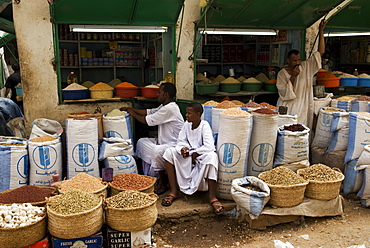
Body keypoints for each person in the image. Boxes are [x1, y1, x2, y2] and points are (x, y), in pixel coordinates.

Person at [120, 83, 184, 195]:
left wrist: (133, 114)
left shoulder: (170, 108)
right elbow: (149, 112)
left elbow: (147, 120)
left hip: (174, 145)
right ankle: (149, 177)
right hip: (163, 142)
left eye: (159, 92)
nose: (157, 95)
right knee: (141, 142)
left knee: (156, 151)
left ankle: (162, 183)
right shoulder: (164, 106)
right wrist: (131, 109)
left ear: (166, 94)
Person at [161, 102, 224, 215]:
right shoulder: (186, 125)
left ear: (198, 114)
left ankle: (212, 197)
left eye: (189, 113)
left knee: (212, 157)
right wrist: (183, 149)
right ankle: (174, 191)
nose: (186, 115)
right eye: (186, 113)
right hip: (188, 156)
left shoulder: (204, 126)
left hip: (201, 156)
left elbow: (209, 146)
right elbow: (181, 141)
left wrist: (195, 152)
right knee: (169, 152)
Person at [276, 20, 326, 129]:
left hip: (303, 105)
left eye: (298, 60)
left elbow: (320, 52)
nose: (297, 63)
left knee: (302, 129)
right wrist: (293, 76)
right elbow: (285, 93)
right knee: (286, 129)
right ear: (288, 60)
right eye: (294, 61)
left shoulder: (306, 67)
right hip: (288, 106)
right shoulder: (282, 74)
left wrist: (321, 31)